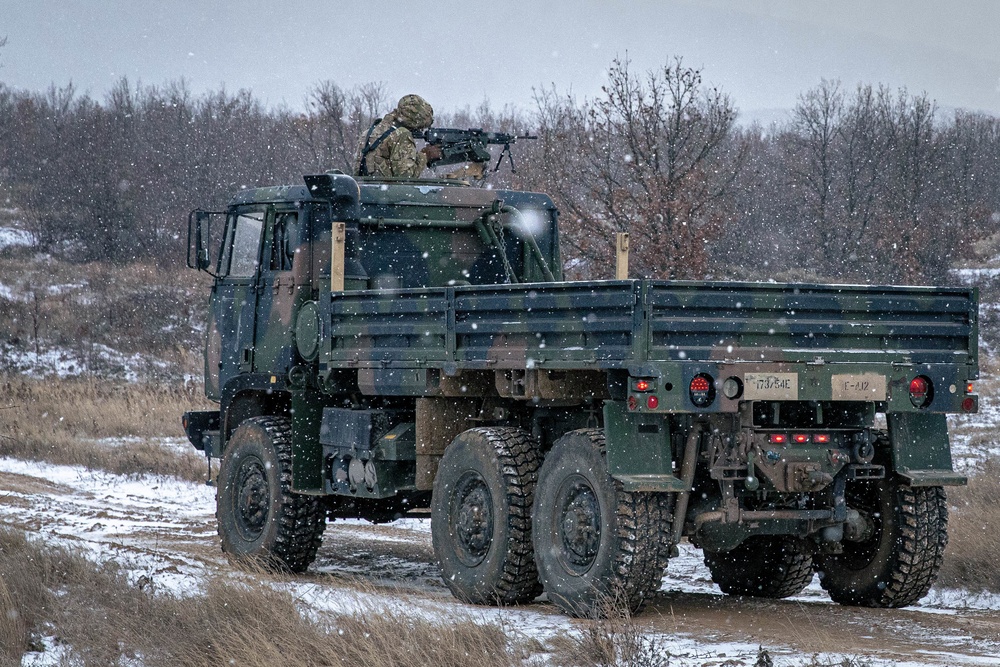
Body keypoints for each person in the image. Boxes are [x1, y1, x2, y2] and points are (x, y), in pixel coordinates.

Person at [355, 94, 442, 178]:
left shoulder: (369, 132)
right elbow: (406, 177)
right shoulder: (401, 134)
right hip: (386, 191)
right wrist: (426, 155)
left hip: (363, 189)